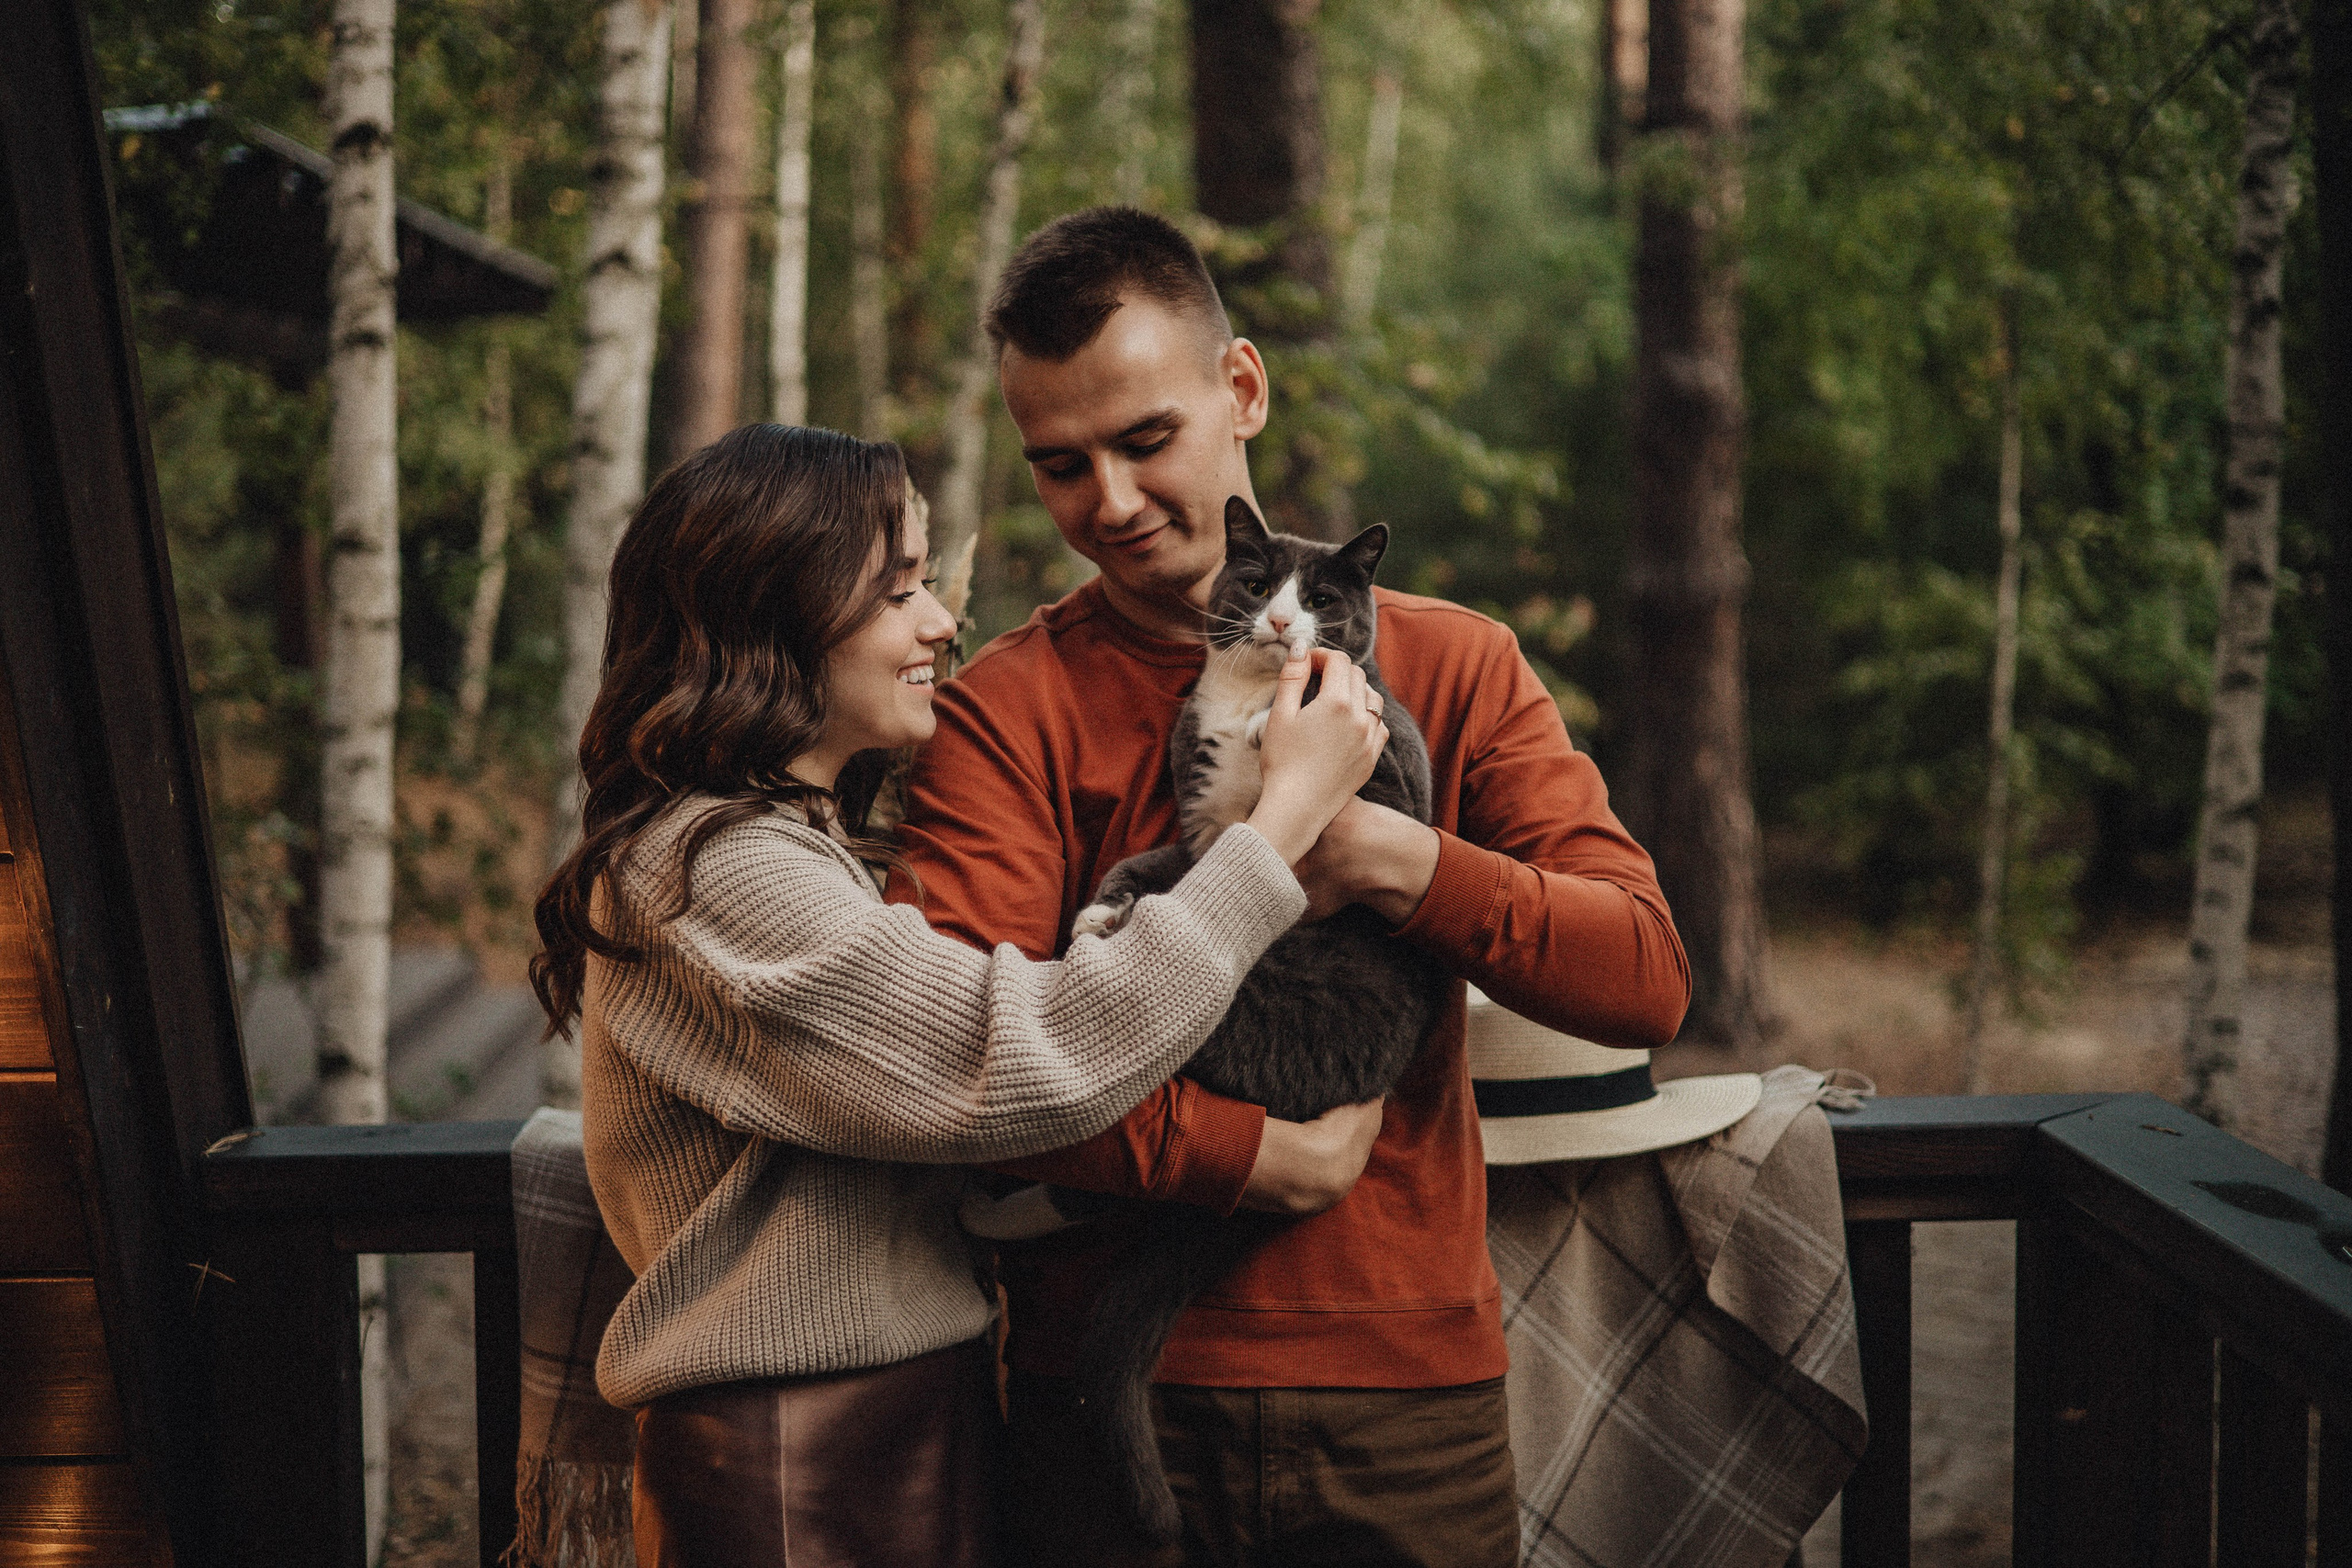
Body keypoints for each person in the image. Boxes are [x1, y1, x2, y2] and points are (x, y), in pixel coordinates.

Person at [891, 208, 1693, 1566]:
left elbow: (1644, 979)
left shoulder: (1457, 665)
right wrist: (1243, 1157)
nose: (1111, 502)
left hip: (1403, 1391)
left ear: (1243, 389)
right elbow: (953, 1065)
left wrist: (1388, 856)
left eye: (1147, 439)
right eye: (1061, 466)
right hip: (1105, 1388)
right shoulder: (1005, 710)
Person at [528, 423, 1392, 1568]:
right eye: (899, 592)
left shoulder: (786, 842)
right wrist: (1280, 822)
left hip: (875, 1431)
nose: (942, 622)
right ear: (772, 616)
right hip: (799, 1473)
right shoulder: (716, 871)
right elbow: (1024, 1055)